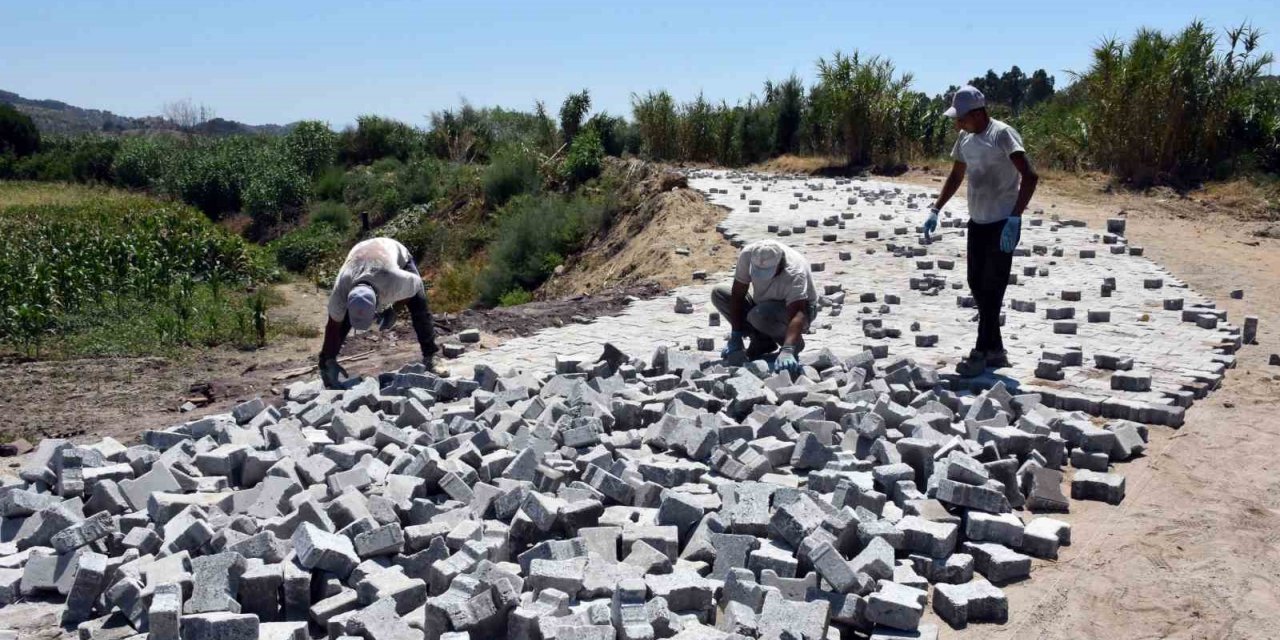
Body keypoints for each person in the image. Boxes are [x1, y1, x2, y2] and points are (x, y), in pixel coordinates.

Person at [926, 85, 1039, 377]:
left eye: (961, 118)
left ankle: (979, 352)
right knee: (976, 282)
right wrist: (936, 208)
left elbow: (1030, 175)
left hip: (1002, 223)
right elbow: (956, 175)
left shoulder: (1002, 134)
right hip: (977, 222)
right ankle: (996, 350)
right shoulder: (965, 139)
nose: (957, 124)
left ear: (977, 113)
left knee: (993, 287)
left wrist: (1015, 218)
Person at [318, 237, 440, 388]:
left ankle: (431, 356)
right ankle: (326, 366)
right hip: (360, 254)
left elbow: (416, 287)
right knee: (342, 321)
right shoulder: (341, 292)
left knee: (419, 305)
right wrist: (328, 359)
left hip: (393, 251)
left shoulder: (395, 279)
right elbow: (333, 326)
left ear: (377, 302)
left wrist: (395, 309)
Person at [711, 239, 818, 375]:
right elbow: (737, 295)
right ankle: (762, 341)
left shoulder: (795, 272)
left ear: (779, 264)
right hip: (763, 304)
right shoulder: (748, 255)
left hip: (801, 309)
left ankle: (793, 343)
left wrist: (788, 349)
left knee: (758, 315)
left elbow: (798, 313)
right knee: (720, 293)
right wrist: (736, 336)